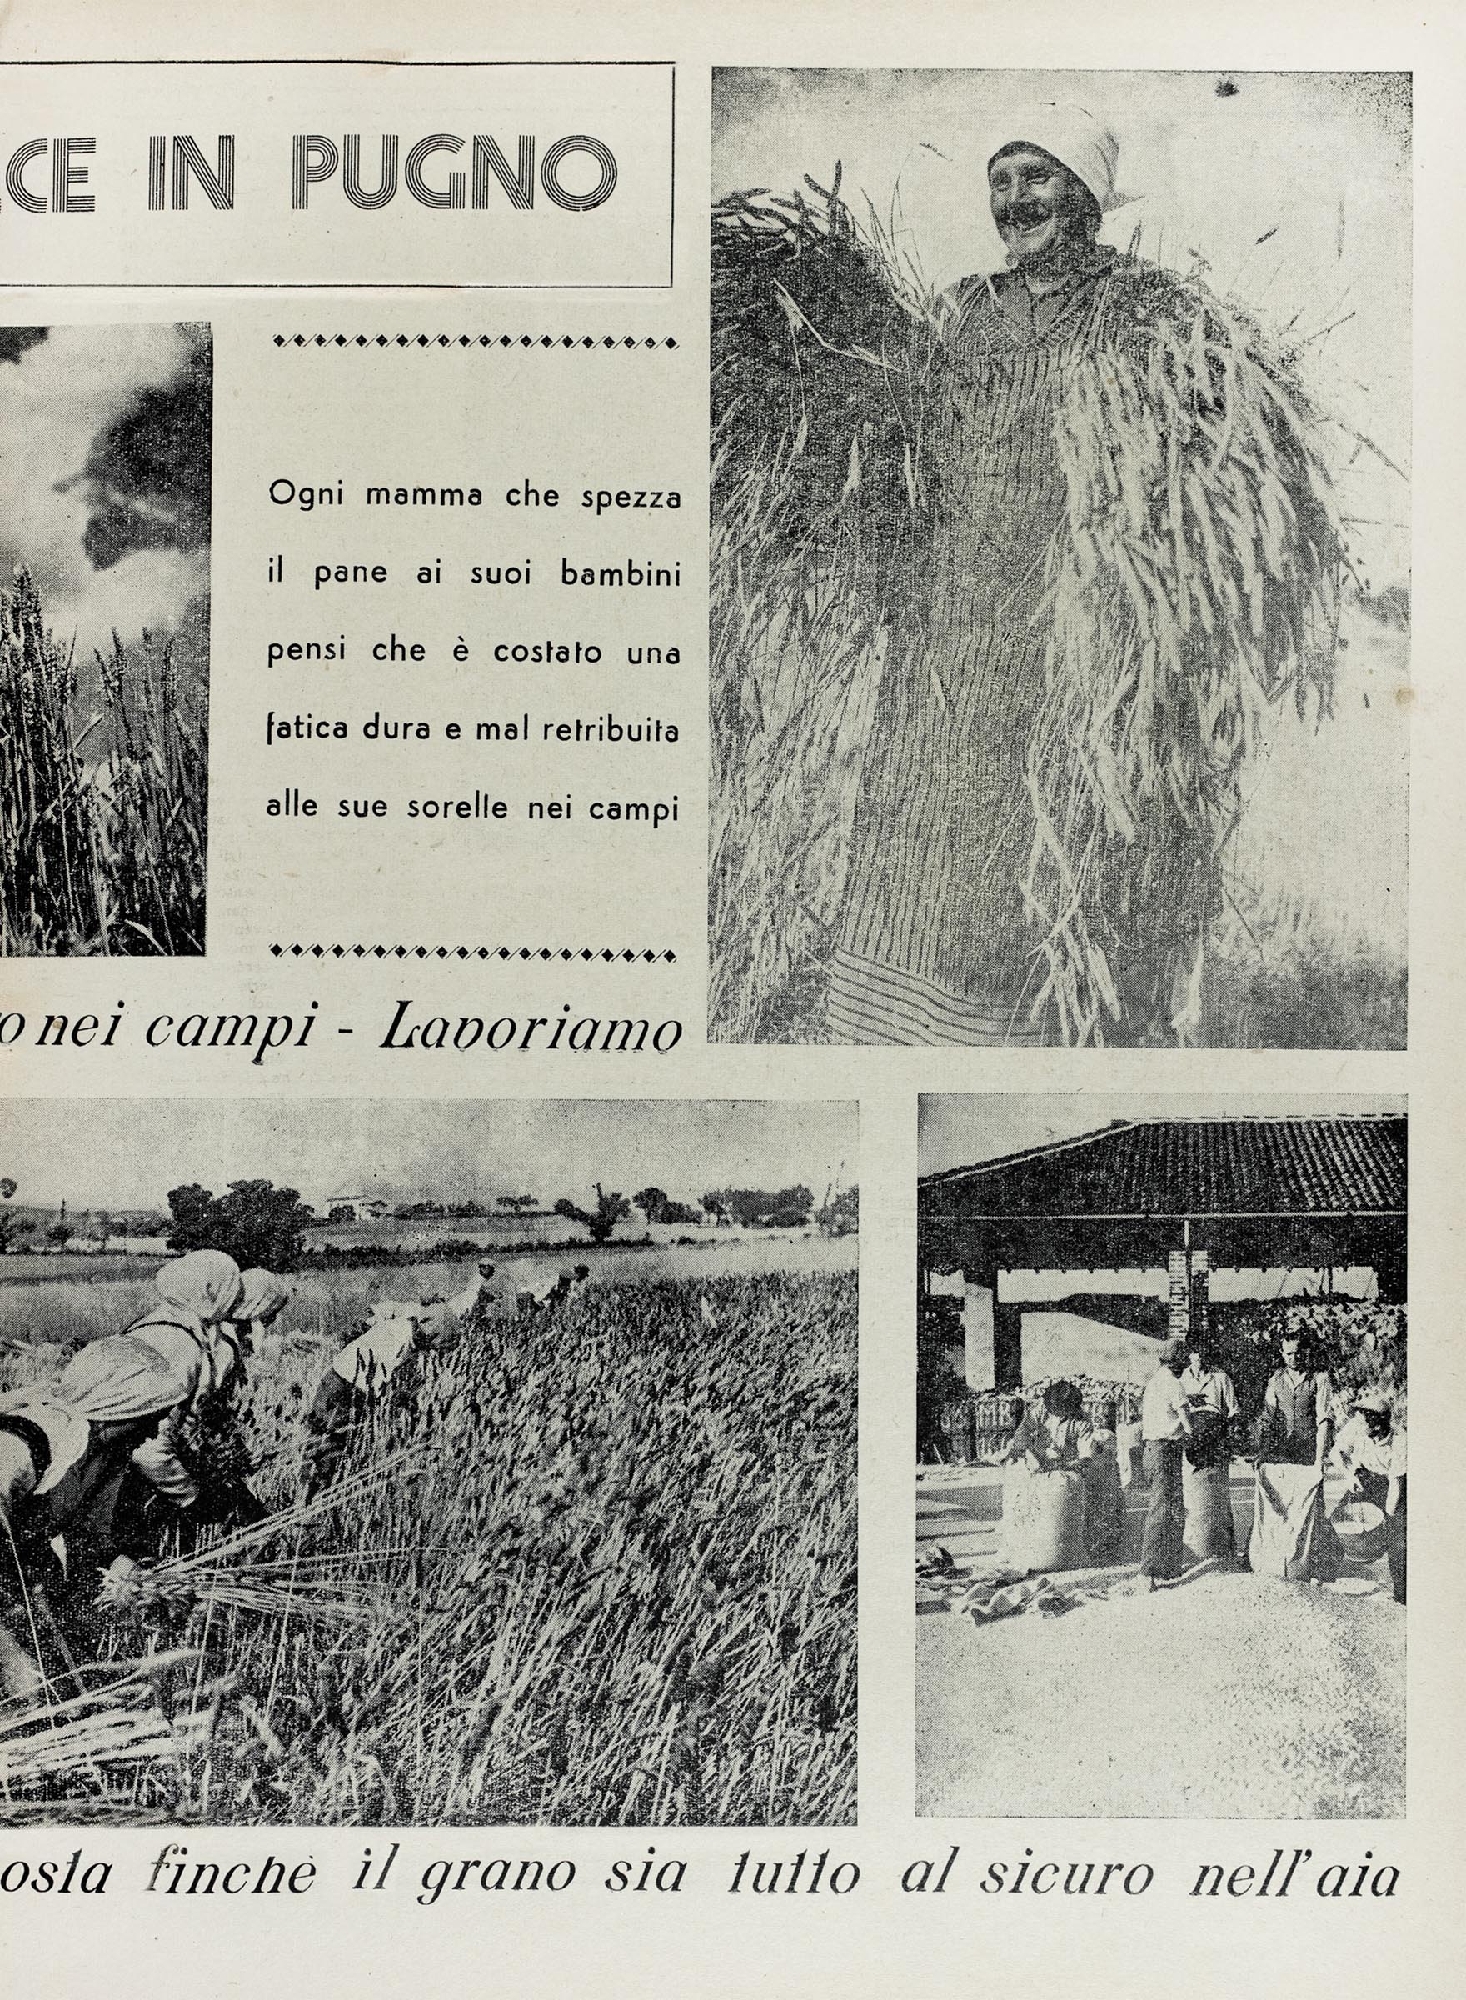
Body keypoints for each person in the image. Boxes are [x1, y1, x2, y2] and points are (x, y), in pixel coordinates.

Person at [0, 1336, 207, 1695]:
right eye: (149, 1419)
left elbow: (92, 1539)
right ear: (120, 1407)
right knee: (27, 1684)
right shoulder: (21, 1444)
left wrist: (143, 1581)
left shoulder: (102, 1453)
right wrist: (13, 1657)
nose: (153, 1433)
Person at [303, 1264, 495, 1495]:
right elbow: (378, 1384)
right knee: (326, 1446)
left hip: (353, 1386)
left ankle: (320, 1493)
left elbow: (463, 1304)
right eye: (432, 1347)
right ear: (427, 1336)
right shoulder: (395, 1337)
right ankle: (309, 1499)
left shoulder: (424, 1323)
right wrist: (399, 1404)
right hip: (341, 1388)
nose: (431, 1352)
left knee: (339, 1446)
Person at [1179, 1328, 1240, 1560]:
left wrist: (1226, 1431)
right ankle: (1194, 1550)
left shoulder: (1220, 1378)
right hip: (1190, 1447)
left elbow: (1233, 1410)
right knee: (1192, 1498)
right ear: (1189, 1354)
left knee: (1219, 1496)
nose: (1199, 1356)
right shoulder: (1181, 1379)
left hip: (1216, 1444)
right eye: (1194, 1352)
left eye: (1202, 1351)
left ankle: (1223, 1550)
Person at [1139, 1340, 1193, 1588]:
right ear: (1177, 1364)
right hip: (1167, 1450)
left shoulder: (1154, 1382)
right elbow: (1187, 1423)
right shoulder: (1175, 1383)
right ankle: (1150, 1571)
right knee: (1164, 1510)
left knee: (1166, 1507)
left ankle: (1167, 1569)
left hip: (1151, 1449)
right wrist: (1194, 1434)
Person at [1256, 1332, 1334, 1469]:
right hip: (1281, 1450)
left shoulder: (1320, 1379)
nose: (1294, 1358)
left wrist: (1320, 1458)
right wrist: (1263, 1453)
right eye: (1289, 1354)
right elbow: (1268, 1417)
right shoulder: (1275, 1380)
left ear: (1305, 1351)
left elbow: (1324, 1420)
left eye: (1298, 1353)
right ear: (1282, 1352)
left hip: (1309, 1450)